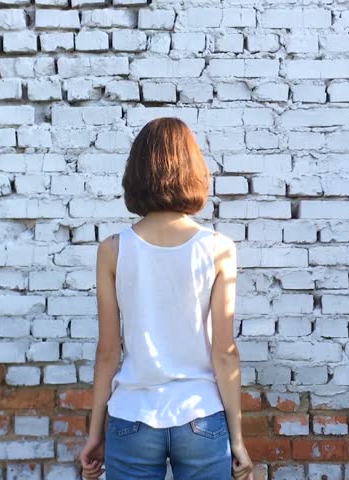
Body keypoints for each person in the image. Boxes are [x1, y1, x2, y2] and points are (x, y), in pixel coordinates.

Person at [78, 117, 255, 479]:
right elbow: (225, 352)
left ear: (136, 173)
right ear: (194, 171)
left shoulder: (113, 250)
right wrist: (237, 441)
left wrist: (95, 433)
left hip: (133, 416)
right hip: (201, 417)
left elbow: (108, 352)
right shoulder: (219, 249)